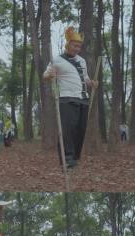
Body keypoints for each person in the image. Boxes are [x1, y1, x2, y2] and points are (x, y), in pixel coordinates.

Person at [43, 27, 97, 169]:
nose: (77, 49)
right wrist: (51, 75)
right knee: (68, 129)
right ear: (67, 45)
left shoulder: (82, 61)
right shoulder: (57, 60)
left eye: (79, 46)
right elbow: (45, 75)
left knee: (80, 129)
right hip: (66, 98)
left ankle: (74, 158)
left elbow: (85, 78)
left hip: (82, 98)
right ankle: (66, 158)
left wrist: (91, 83)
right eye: (75, 45)